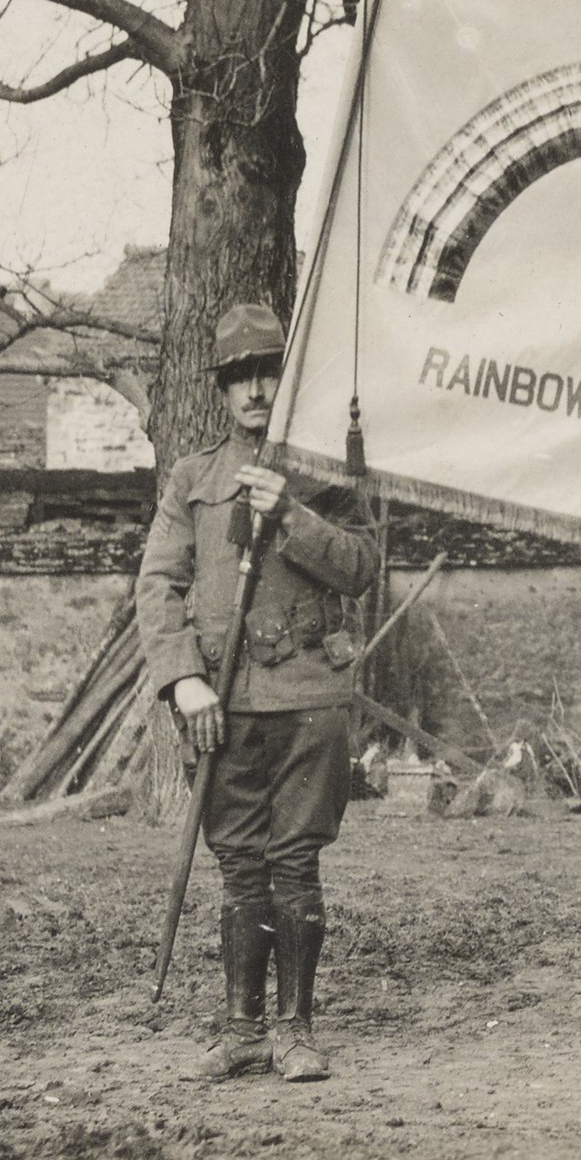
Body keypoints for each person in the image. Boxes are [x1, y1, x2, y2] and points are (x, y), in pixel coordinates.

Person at [134, 301, 382, 1082]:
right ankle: (242, 1028)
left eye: (267, 370)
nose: (254, 388)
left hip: (307, 698)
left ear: (289, 374)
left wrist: (291, 515)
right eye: (239, 375)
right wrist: (184, 681)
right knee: (239, 867)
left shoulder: (330, 469)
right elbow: (158, 582)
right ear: (220, 387)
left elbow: (363, 567)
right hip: (224, 707)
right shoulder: (193, 478)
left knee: (295, 864)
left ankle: (295, 1029)